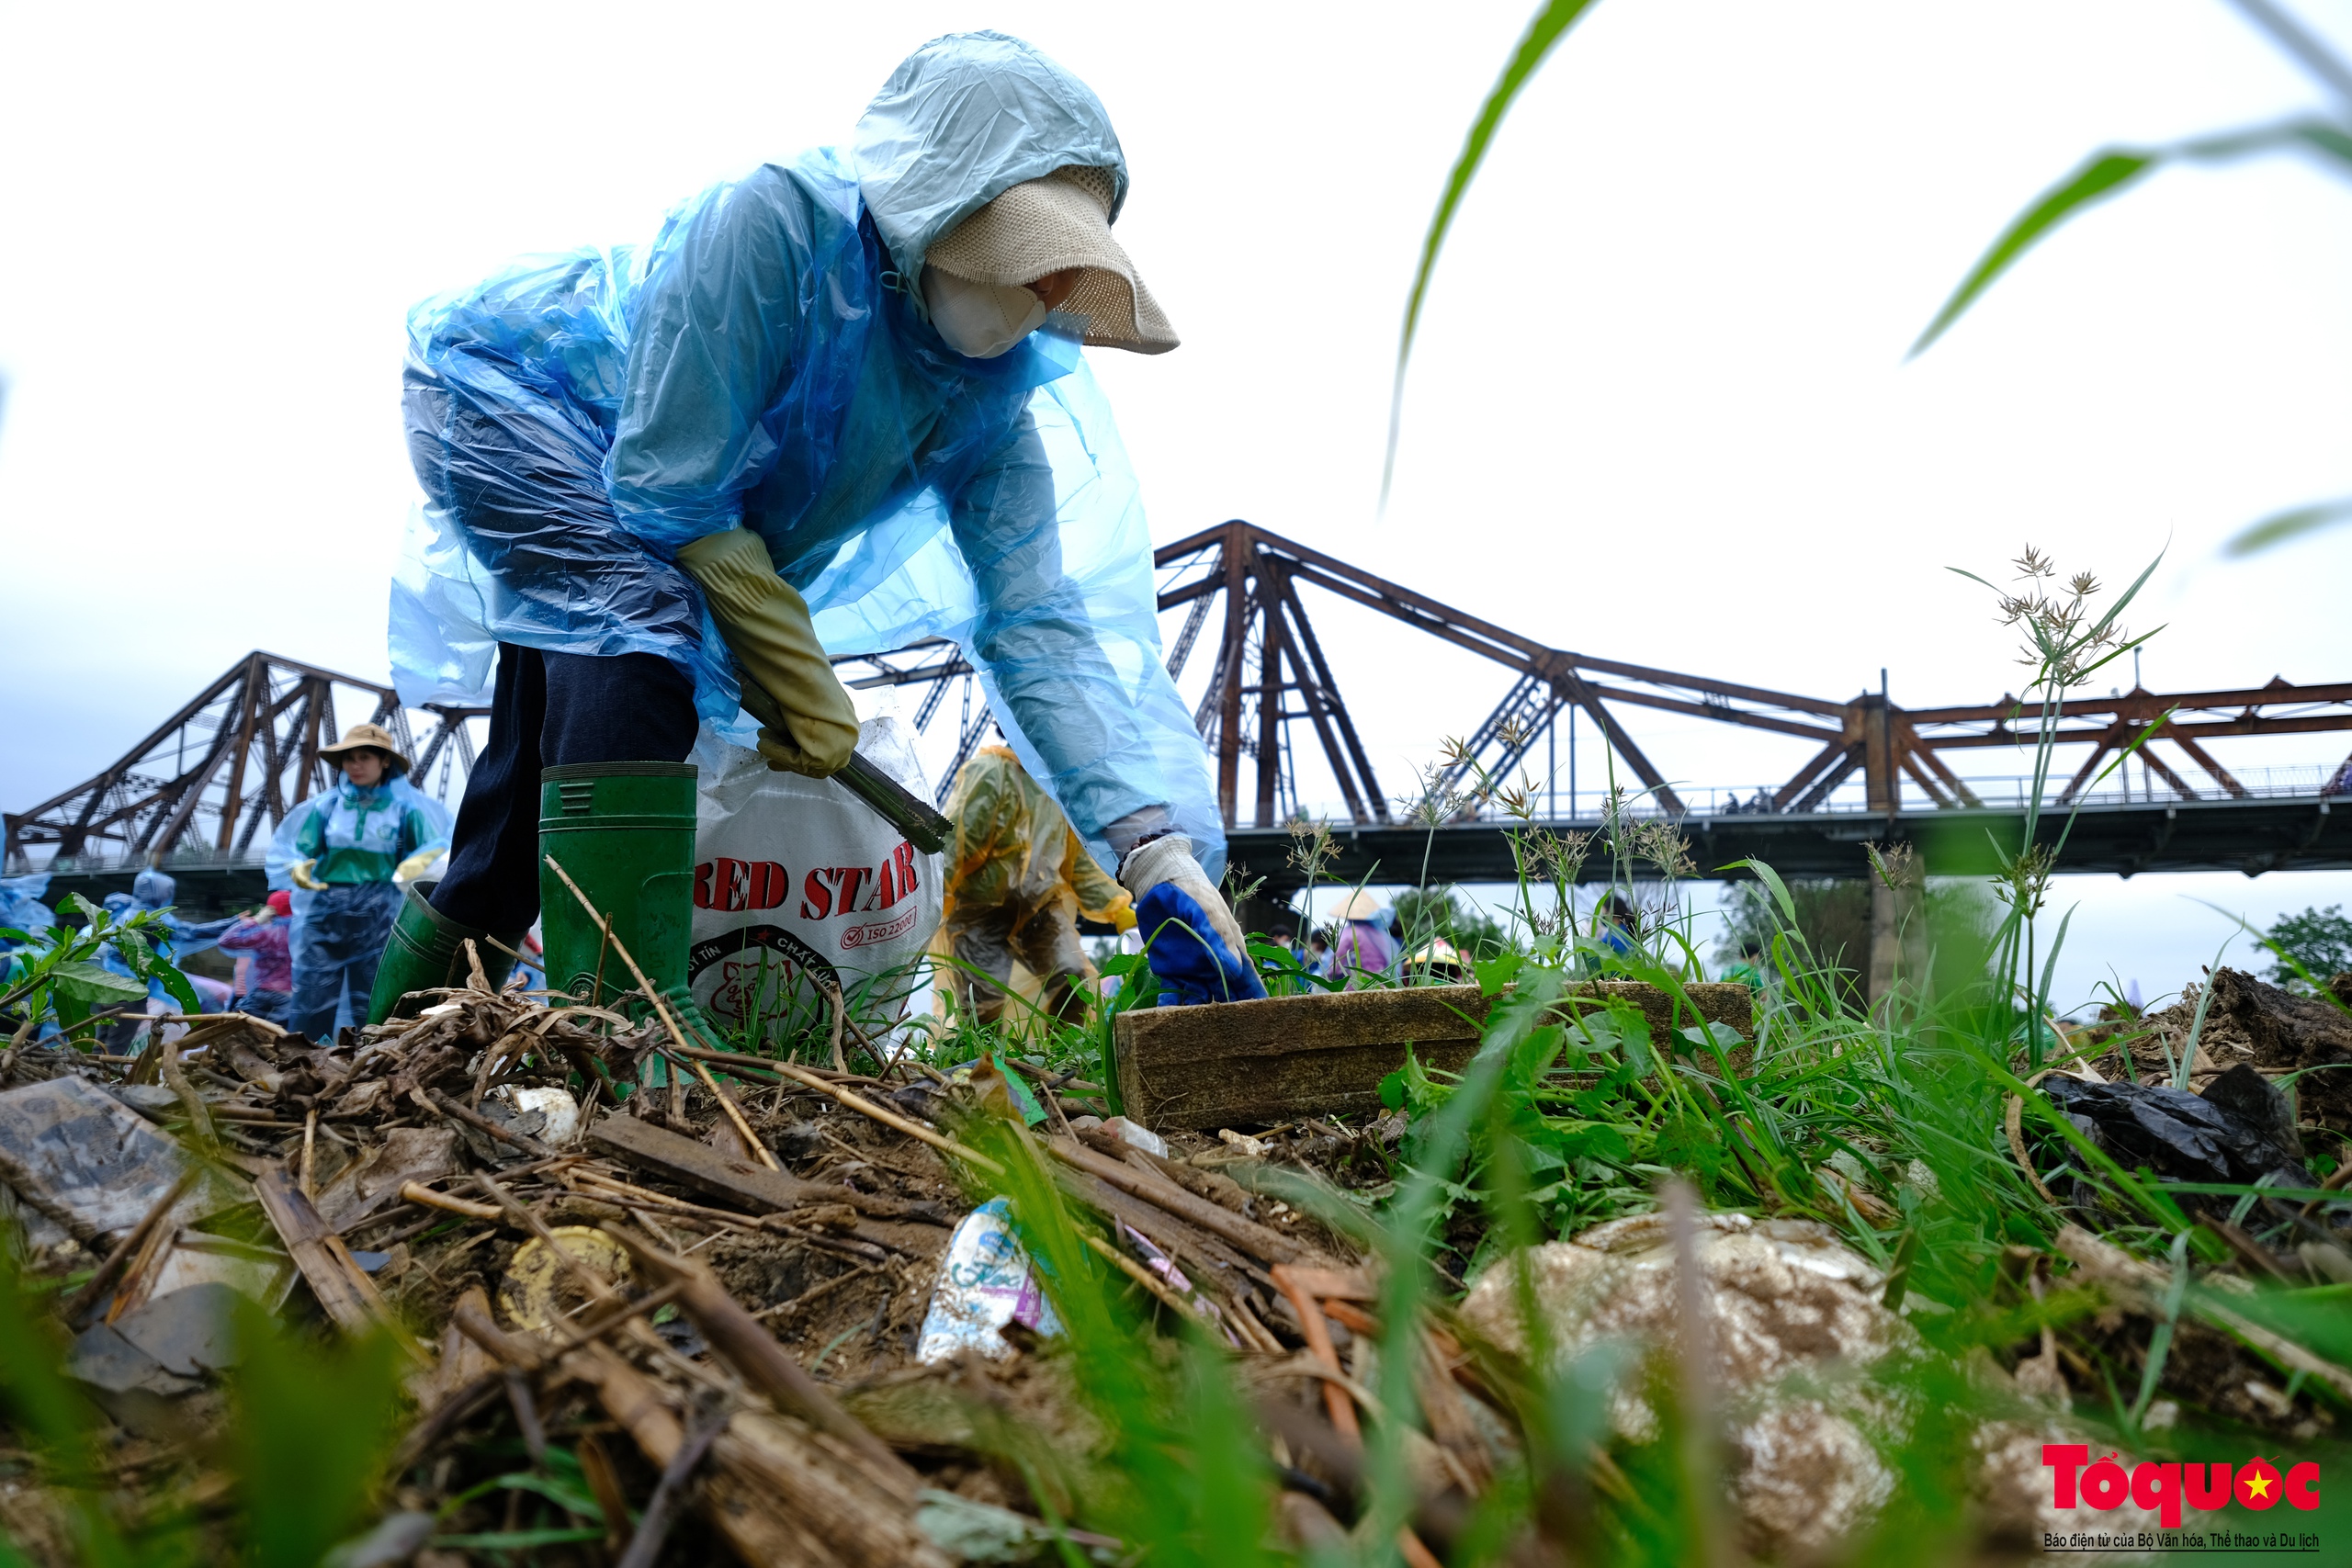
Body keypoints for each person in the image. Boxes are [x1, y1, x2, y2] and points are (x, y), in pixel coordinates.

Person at [371, 32, 1256, 1023]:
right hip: (511, 398)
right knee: (638, 625)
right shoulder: (773, 226)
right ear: (931, 201)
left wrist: (1149, 845)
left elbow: (1038, 626)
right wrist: (795, 672)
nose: (1045, 292)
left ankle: (398, 1038)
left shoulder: (987, 405)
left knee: (529, 786)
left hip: (639, 499)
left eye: (1059, 266)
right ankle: (623, 1031)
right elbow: (670, 487)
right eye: (1024, 250)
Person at [942, 745, 1136, 1025]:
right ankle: (978, 1066)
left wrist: (1116, 908)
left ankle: (1065, 1060)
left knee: (1073, 981)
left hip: (1041, 909)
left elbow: (1075, 861)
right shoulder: (990, 774)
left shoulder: (1057, 786)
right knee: (981, 1004)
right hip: (980, 911)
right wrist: (933, 894)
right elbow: (957, 842)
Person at [274, 724, 446, 1039]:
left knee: (373, 992)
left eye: (363, 757)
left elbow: (434, 847)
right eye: (348, 759)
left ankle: (371, 1060)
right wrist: (297, 866)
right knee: (312, 992)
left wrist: (418, 861)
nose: (354, 766)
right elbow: (298, 848)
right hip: (327, 908)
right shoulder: (327, 809)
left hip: (380, 909)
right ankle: (301, 1061)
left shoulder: (404, 811)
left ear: (384, 762)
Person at [218, 889, 295, 1025]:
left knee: (239, 1033)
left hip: (262, 993)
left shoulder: (265, 933)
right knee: (283, 1040)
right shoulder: (303, 933)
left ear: (269, 910)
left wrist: (256, 920)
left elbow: (226, 940)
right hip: (291, 997)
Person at [1328, 890, 1396, 991]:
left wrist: (1328, 975)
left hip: (1358, 984)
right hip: (1381, 981)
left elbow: (1337, 963)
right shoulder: (1378, 933)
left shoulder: (1349, 933)